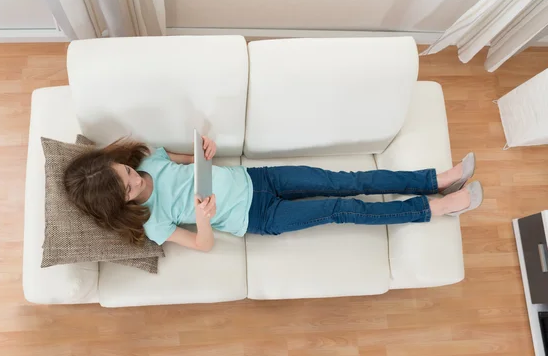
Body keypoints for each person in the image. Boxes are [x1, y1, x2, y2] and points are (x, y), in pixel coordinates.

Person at [64, 136, 482, 252]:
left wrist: (205, 151)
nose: (134, 178)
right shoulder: (151, 222)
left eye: (124, 170)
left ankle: (435, 179)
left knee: (347, 181)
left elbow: (193, 161)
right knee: (341, 208)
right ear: (118, 203)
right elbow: (202, 245)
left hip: (260, 178)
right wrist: (204, 217)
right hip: (258, 218)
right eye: (127, 187)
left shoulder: (149, 158)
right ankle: (435, 208)